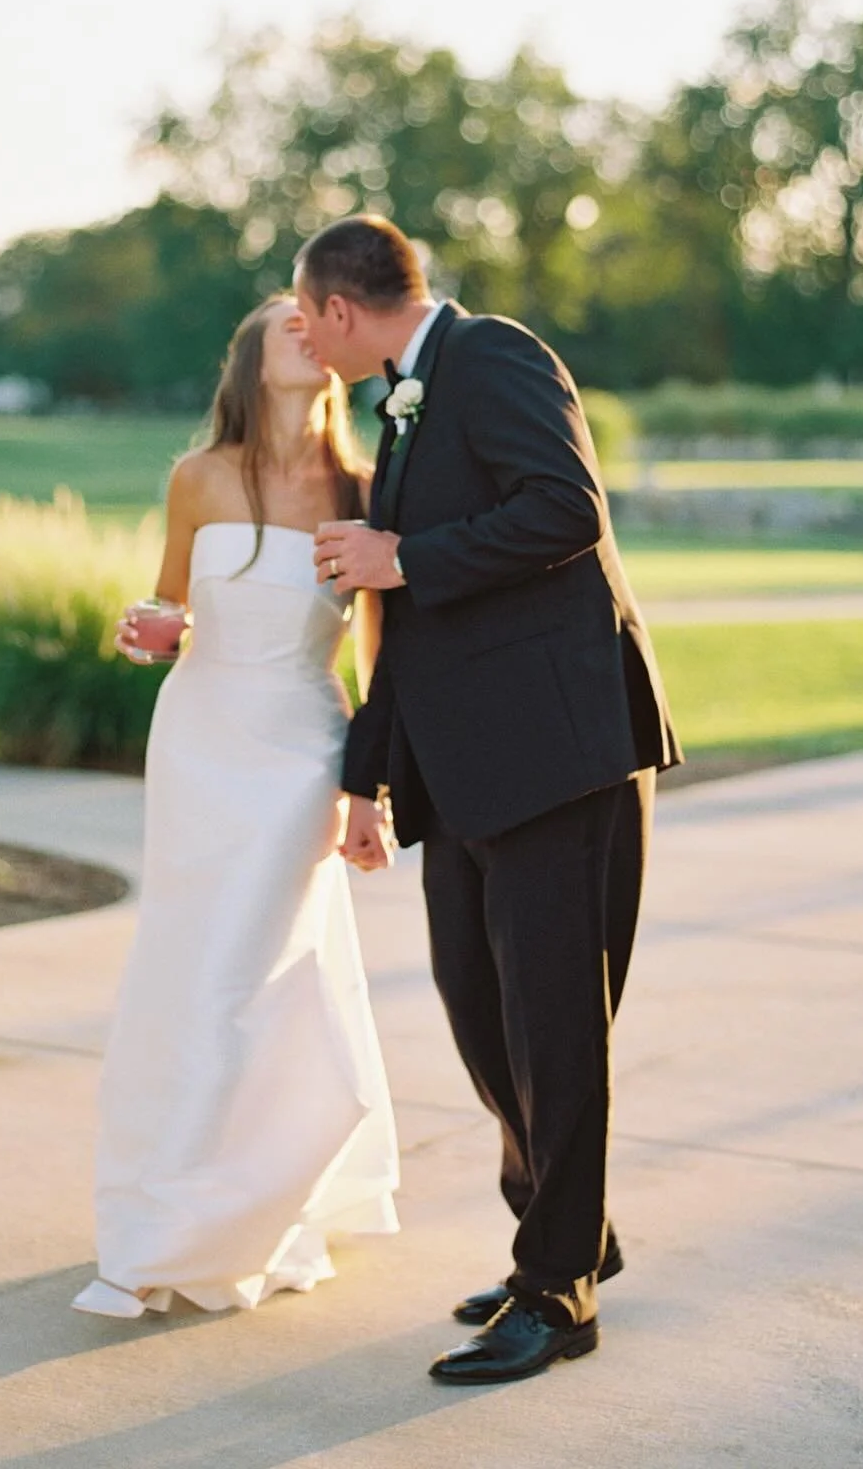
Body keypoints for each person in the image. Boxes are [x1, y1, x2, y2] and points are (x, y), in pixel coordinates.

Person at [294, 215, 681, 1384]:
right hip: (463, 775)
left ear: (347, 311)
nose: (305, 337)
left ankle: (557, 1294)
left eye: (307, 315)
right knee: (481, 1018)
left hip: (559, 758)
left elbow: (568, 509)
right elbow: (399, 620)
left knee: (555, 1030)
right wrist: (366, 772)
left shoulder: (497, 356)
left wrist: (404, 556)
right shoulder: (401, 404)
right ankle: (568, 1234)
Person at [72, 293, 399, 1319]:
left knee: (261, 979)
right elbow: (165, 608)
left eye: (319, 320)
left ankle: (252, 1205)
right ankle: (163, 1210)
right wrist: (146, 633)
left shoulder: (365, 484)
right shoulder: (197, 476)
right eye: (283, 321)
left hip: (303, 749)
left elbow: (381, 657)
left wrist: (366, 791)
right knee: (189, 968)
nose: (306, 328)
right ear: (250, 358)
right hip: (200, 743)